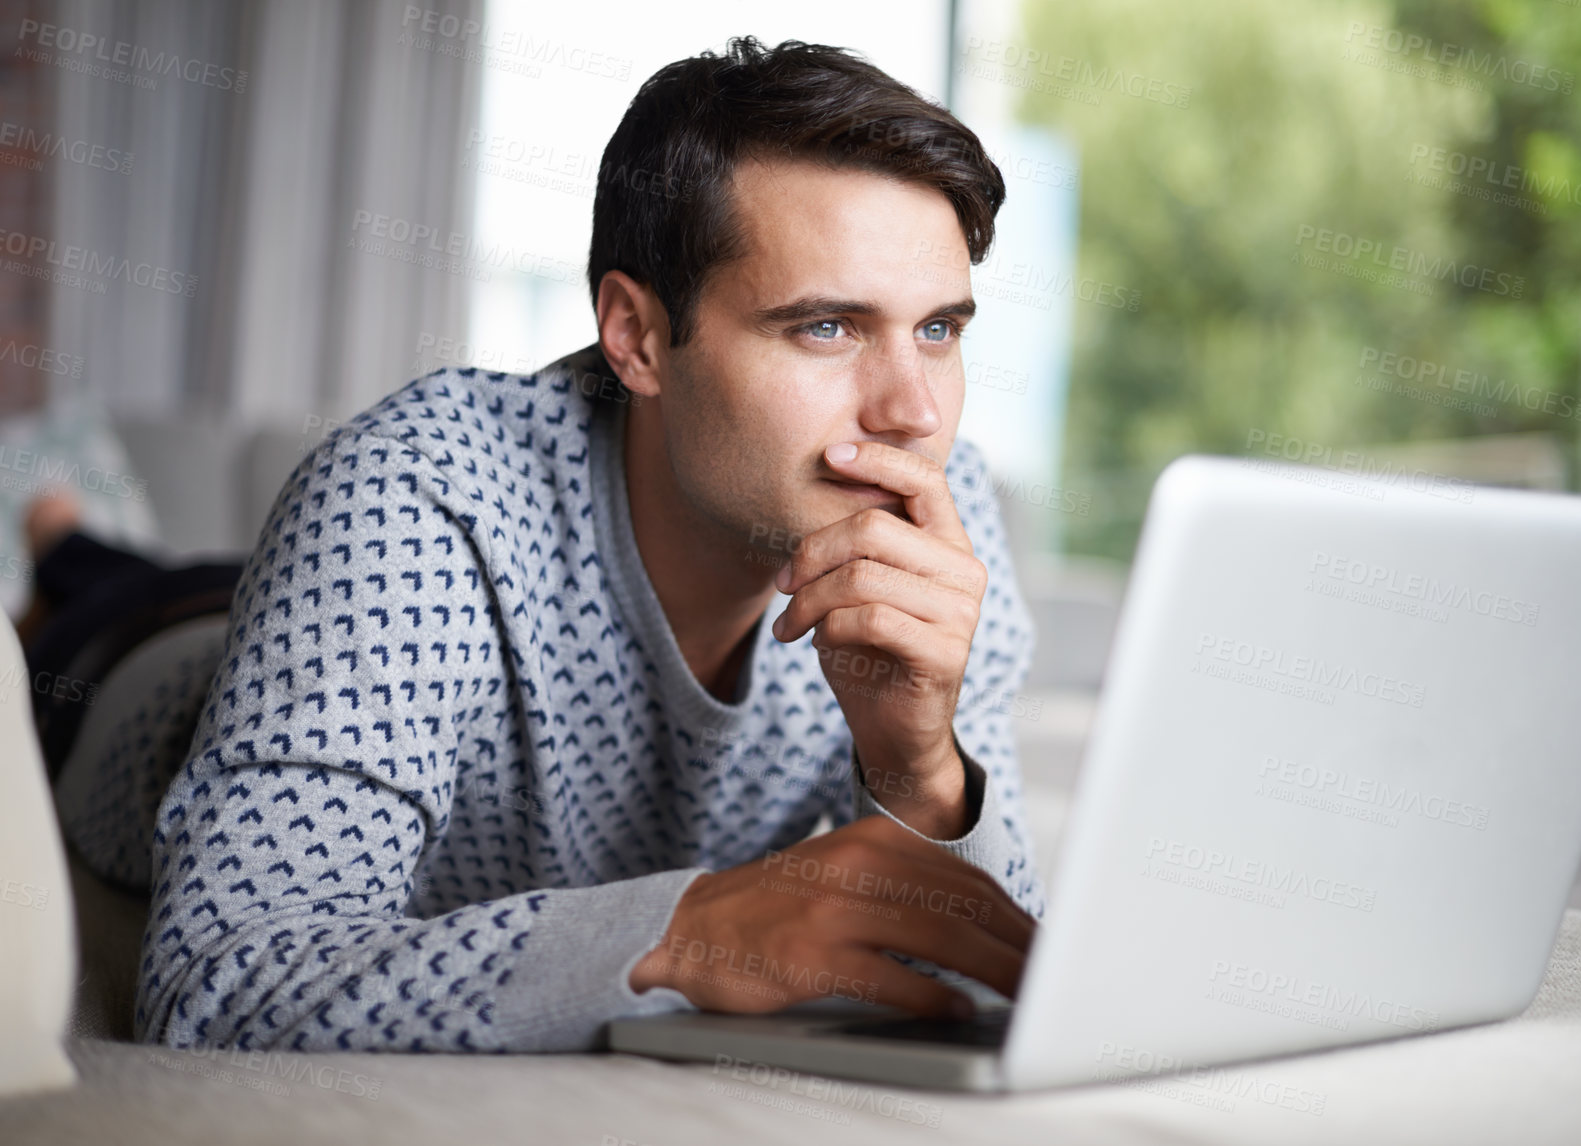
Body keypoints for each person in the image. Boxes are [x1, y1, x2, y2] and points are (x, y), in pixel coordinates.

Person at [133, 36, 1043, 1055]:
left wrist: (918, 767)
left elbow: (986, 991)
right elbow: (214, 980)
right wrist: (681, 932)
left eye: (937, 330)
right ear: (637, 335)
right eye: (826, 328)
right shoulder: (416, 498)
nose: (914, 413)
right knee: (119, 593)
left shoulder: (939, 512)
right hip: (147, 665)